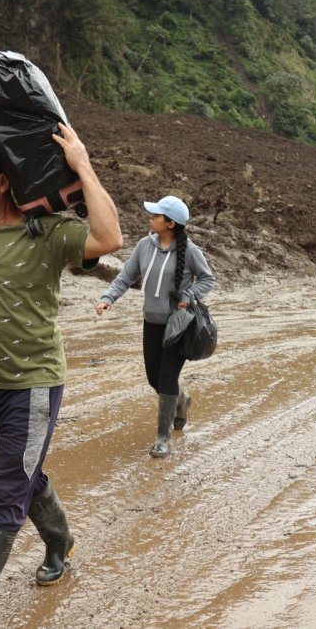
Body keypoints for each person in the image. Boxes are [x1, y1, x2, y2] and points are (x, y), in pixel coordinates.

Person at [0, 61, 123, 629]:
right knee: (22, 473)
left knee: (6, 488)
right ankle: (62, 540)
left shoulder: (49, 233)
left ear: (2, 180)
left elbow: (109, 237)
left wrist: (82, 167)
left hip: (32, 383)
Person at [96, 195, 216, 457]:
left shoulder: (191, 250)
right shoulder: (143, 246)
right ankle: (181, 399)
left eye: (156, 216)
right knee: (154, 378)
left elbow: (208, 279)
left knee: (166, 377)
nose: (150, 218)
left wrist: (187, 296)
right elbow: (126, 276)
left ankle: (163, 438)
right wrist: (108, 299)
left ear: (170, 223)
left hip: (178, 327)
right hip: (151, 323)